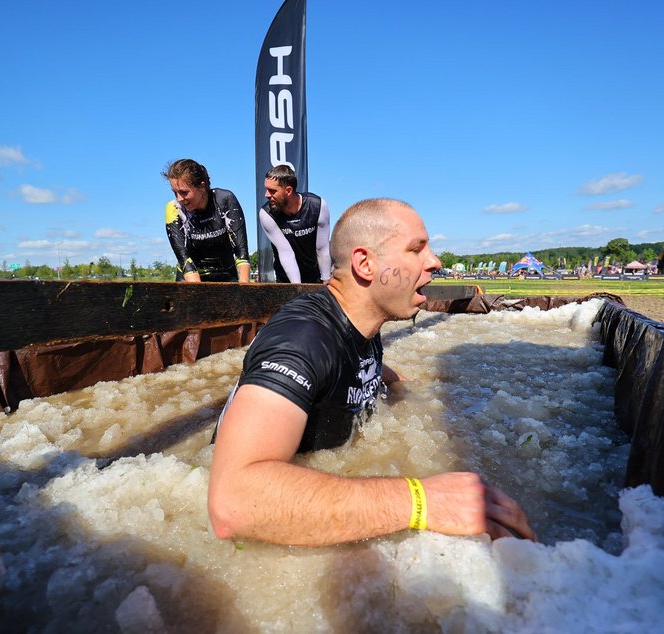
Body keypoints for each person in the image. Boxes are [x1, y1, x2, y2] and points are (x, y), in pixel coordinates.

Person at [208, 198, 535, 546]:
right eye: (416, 249)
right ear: (365, 263)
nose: (435, 262)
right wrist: (422, 501)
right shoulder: (300, 339)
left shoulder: (361, 323)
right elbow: (233, 504)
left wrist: (398, 383)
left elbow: (353, 363)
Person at [162, 159, 250, 283]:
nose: (179, 198)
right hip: (191, 274)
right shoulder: (174, 208)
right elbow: (184, 258)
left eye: (184, 192)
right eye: (175, 192)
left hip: (226, 274)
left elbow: (242, 253)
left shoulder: (224, 200)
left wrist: (244, 290)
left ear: (202, 186)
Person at [258, 165, 331, 283]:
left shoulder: (318, 205)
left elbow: (322, 248)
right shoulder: (266, 214)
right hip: (286, 280)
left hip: (315, 276)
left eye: (272, 191)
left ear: (288, 191)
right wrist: (296, 288)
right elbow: (286, 252)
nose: (266, 195)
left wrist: (326, 281)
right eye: (266, 189)